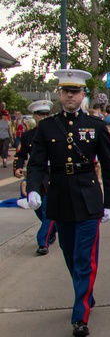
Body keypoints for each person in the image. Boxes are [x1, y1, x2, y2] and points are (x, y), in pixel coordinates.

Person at [25, 69, 110, 337]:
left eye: (75, 92)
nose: (70, 96)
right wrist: (32, 189)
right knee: (68, 254)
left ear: (83, 95)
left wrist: (109, 202)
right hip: (60, 196)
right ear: (59, 94)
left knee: (84, 258)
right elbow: (37, 163)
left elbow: (109, 169)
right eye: (65, 91)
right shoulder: (47, 127)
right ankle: (84, 294)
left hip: (88, 196)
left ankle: (80, 316)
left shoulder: (96, 126)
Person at [14, 100, 57, 254]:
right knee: (38, 209)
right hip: (36, 177)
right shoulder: (28, 136)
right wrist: (18, 167)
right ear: (34, 116)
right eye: (40, 114)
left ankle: (42, 242)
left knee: (48, 211)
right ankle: (52, 231)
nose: (44, 117)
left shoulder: (57, 132)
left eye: (46, 114)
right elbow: (21, 154)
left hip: (53, 175)